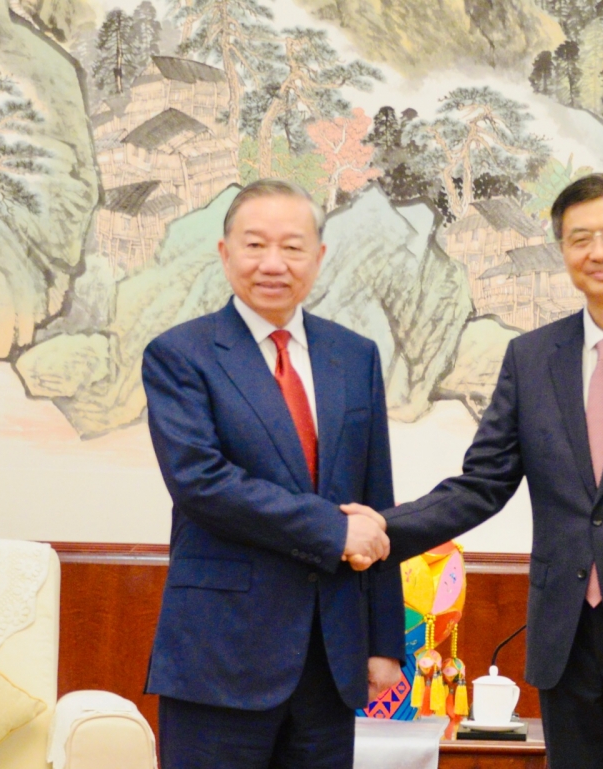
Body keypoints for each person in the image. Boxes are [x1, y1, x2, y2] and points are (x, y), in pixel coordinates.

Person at [345, 173, 603, 768]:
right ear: (563, 251)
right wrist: (380, 528)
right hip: (565, 636)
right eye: (580, 238)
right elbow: (482, 483)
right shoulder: (532, 358)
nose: (599, 251)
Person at [142, 179, 404, 769]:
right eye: (255, 245)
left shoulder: (354, 355)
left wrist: (385, 639)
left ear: (318, 257)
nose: (272, 264)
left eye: (291, 247)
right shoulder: (181, 355)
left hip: (331, 656)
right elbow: (201, 482)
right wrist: (331, 531)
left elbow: (374, 501)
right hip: (220, 656)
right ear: (225, 252)